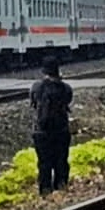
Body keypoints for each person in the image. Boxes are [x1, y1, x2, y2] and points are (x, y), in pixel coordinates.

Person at [29, 56, 73, 194]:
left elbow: (34, 102)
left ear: (44, 71)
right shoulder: (66, 88)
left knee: (44, 164)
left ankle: (45, 190)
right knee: (61, 161)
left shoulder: (37, 87)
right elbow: (68, 101)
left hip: (42, 132)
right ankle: (61, 187)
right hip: (61, 131)